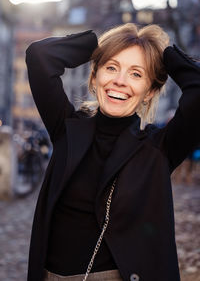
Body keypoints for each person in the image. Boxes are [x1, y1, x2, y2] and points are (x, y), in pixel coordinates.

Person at [25, 23, 200, 281]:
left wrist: (163, 54)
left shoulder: (158, 149)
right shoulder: (66, 128)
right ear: (94, 77)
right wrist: (96, 44)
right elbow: (40, 56)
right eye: (111, 67)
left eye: (136, 74)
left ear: (149, 92)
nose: (119, 81)